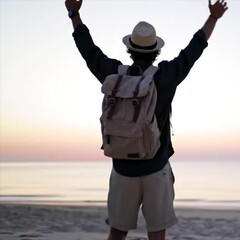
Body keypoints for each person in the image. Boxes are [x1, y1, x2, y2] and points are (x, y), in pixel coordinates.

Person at [64, 0, 228, 239]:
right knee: (156, 234)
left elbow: (88, 50)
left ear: (130, 49)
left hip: (121, 169)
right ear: (155, 51)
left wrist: (74, 13)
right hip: (155, 168)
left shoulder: (112, 74)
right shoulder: (165, 76)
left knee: (117, 233)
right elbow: (193, 50)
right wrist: (213, 18)